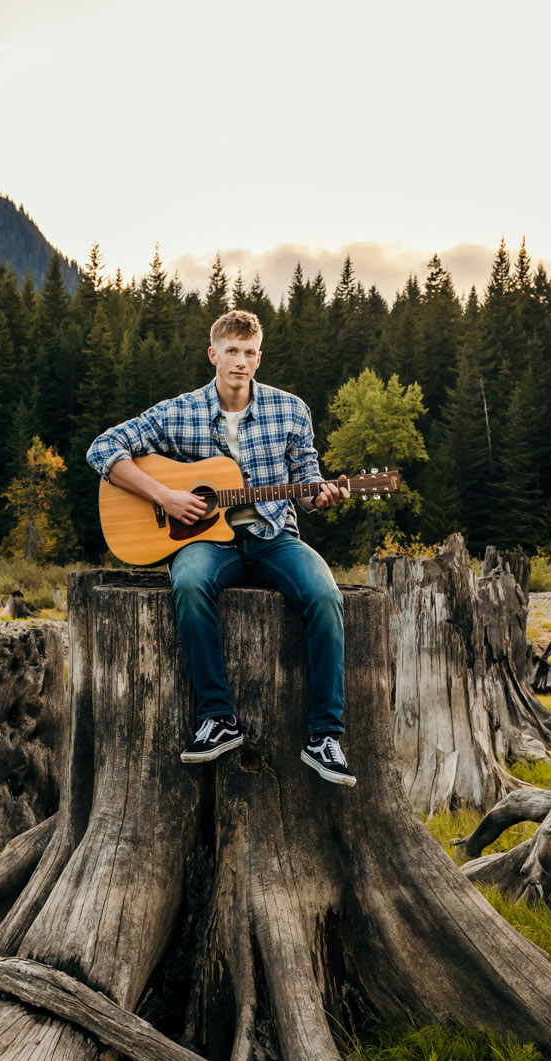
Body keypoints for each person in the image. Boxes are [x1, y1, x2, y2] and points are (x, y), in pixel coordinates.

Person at [87, 308, 357, 785]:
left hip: (274, 537)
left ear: (259, 358)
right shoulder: (179, 411)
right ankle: (218, 718)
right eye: (231, 351)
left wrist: (322, 495)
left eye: (250, 353)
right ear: (213, 354)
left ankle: (325, 736)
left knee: (324, 594)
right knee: (188, 583)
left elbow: (307, 482)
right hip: (210, 545)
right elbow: (102, 449)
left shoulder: (291, 410)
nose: (241, 361)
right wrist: (166, 496)